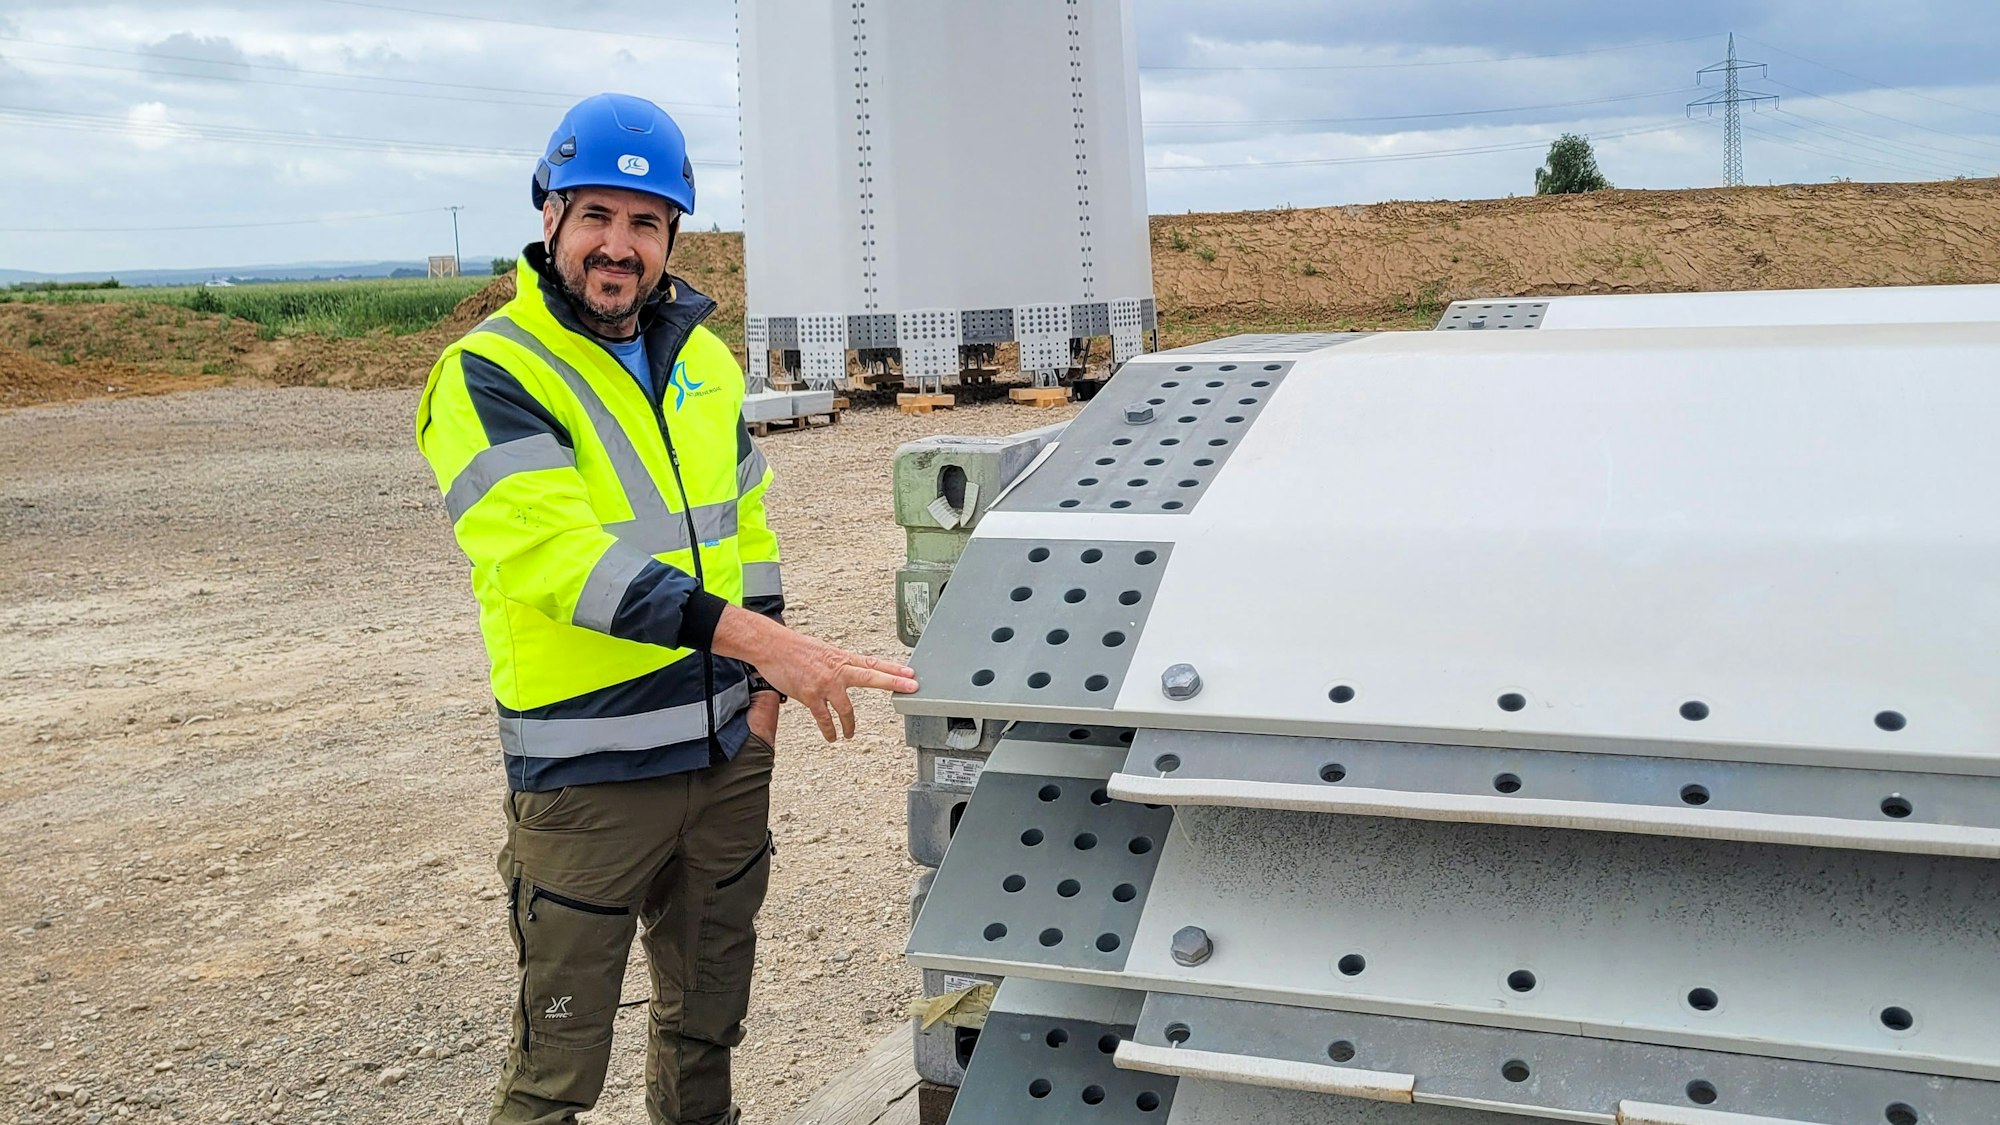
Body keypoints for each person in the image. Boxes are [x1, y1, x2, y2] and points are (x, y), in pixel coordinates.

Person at [414, 92, 919, 1125]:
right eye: (595, 215)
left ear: (672, 236)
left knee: (704, 1029)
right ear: (547, 217)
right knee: (555, 1070)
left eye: (645, 223)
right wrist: (762, 643)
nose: (618, 245)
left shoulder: (701, 358)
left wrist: (760, 692)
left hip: (726, 757)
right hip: (588, 776)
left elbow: (747, 527)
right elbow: (557, 560)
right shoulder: (490, 372)